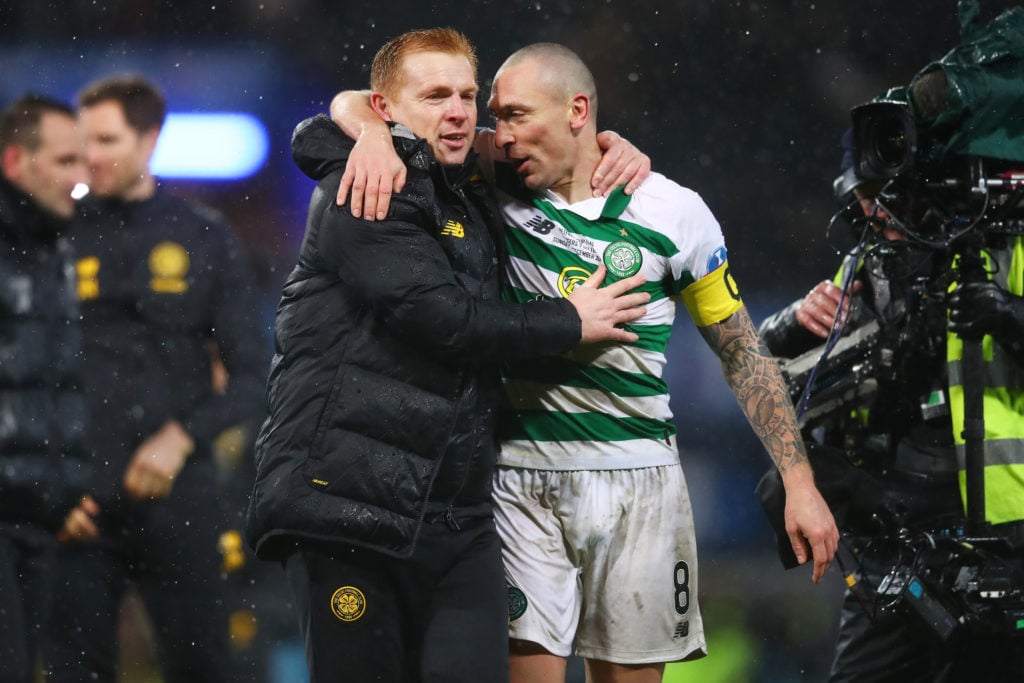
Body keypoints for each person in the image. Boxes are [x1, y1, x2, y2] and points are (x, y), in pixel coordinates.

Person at [330, 41, 839, 683]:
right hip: (520, 480)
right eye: (497, 116)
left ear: (577, 111)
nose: (499, 134)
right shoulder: (489, 181)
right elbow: (349, 104)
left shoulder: (674, 212)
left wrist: (799, 482)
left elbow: (741, 352)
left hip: (639, 484)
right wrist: (375, 135)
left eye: (516, 115)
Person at [244, 28, 652, 683]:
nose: (458, 110)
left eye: (467, 94)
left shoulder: (469, 190)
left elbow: (547, 151)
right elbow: (442, 320)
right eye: (435, 95)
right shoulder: (363, 188)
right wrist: (571, 321)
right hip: (349, 508)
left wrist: (606, 145)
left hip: (456, 516)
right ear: (387, 108)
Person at [758, 136, 1024, 679]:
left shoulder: (1005, 246)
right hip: (896, 534)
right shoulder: (869, 261)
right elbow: (763, 367)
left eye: (891, 194)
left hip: (1003, 529)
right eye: (866, 195)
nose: (878, 210)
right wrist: (791, 323)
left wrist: (1007, 313)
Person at [44, 74, 270, 683]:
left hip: (180, 502)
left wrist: (181, 437)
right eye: (83, 140)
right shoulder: (52, 236)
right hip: (78, 506)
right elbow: (29, 374)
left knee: (206, 668)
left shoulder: (203, 236)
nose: (90, 155)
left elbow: (253, 373)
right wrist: (49, 483)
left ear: (150, 140)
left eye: (106, 139)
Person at [0, 93, 95, 683]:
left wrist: (79, 485)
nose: (81, 178)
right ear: (15, 162)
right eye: (65, 162)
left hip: (54, 516)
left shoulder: (70, 246)